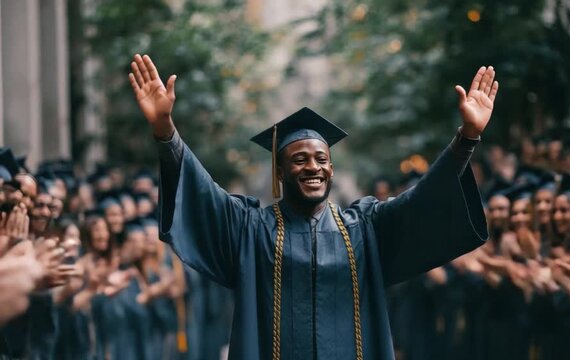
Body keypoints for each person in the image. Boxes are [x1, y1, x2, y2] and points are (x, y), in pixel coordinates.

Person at [128, 53, 498, 359]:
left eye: (321, 159)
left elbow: (424, 202)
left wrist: (467, 139)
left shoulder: (364, 229)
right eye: (299, 159)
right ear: (280, 170)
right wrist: (166, 132)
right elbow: (202, 193)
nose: (312, 167)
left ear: (332, 168)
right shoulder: (250, 229)